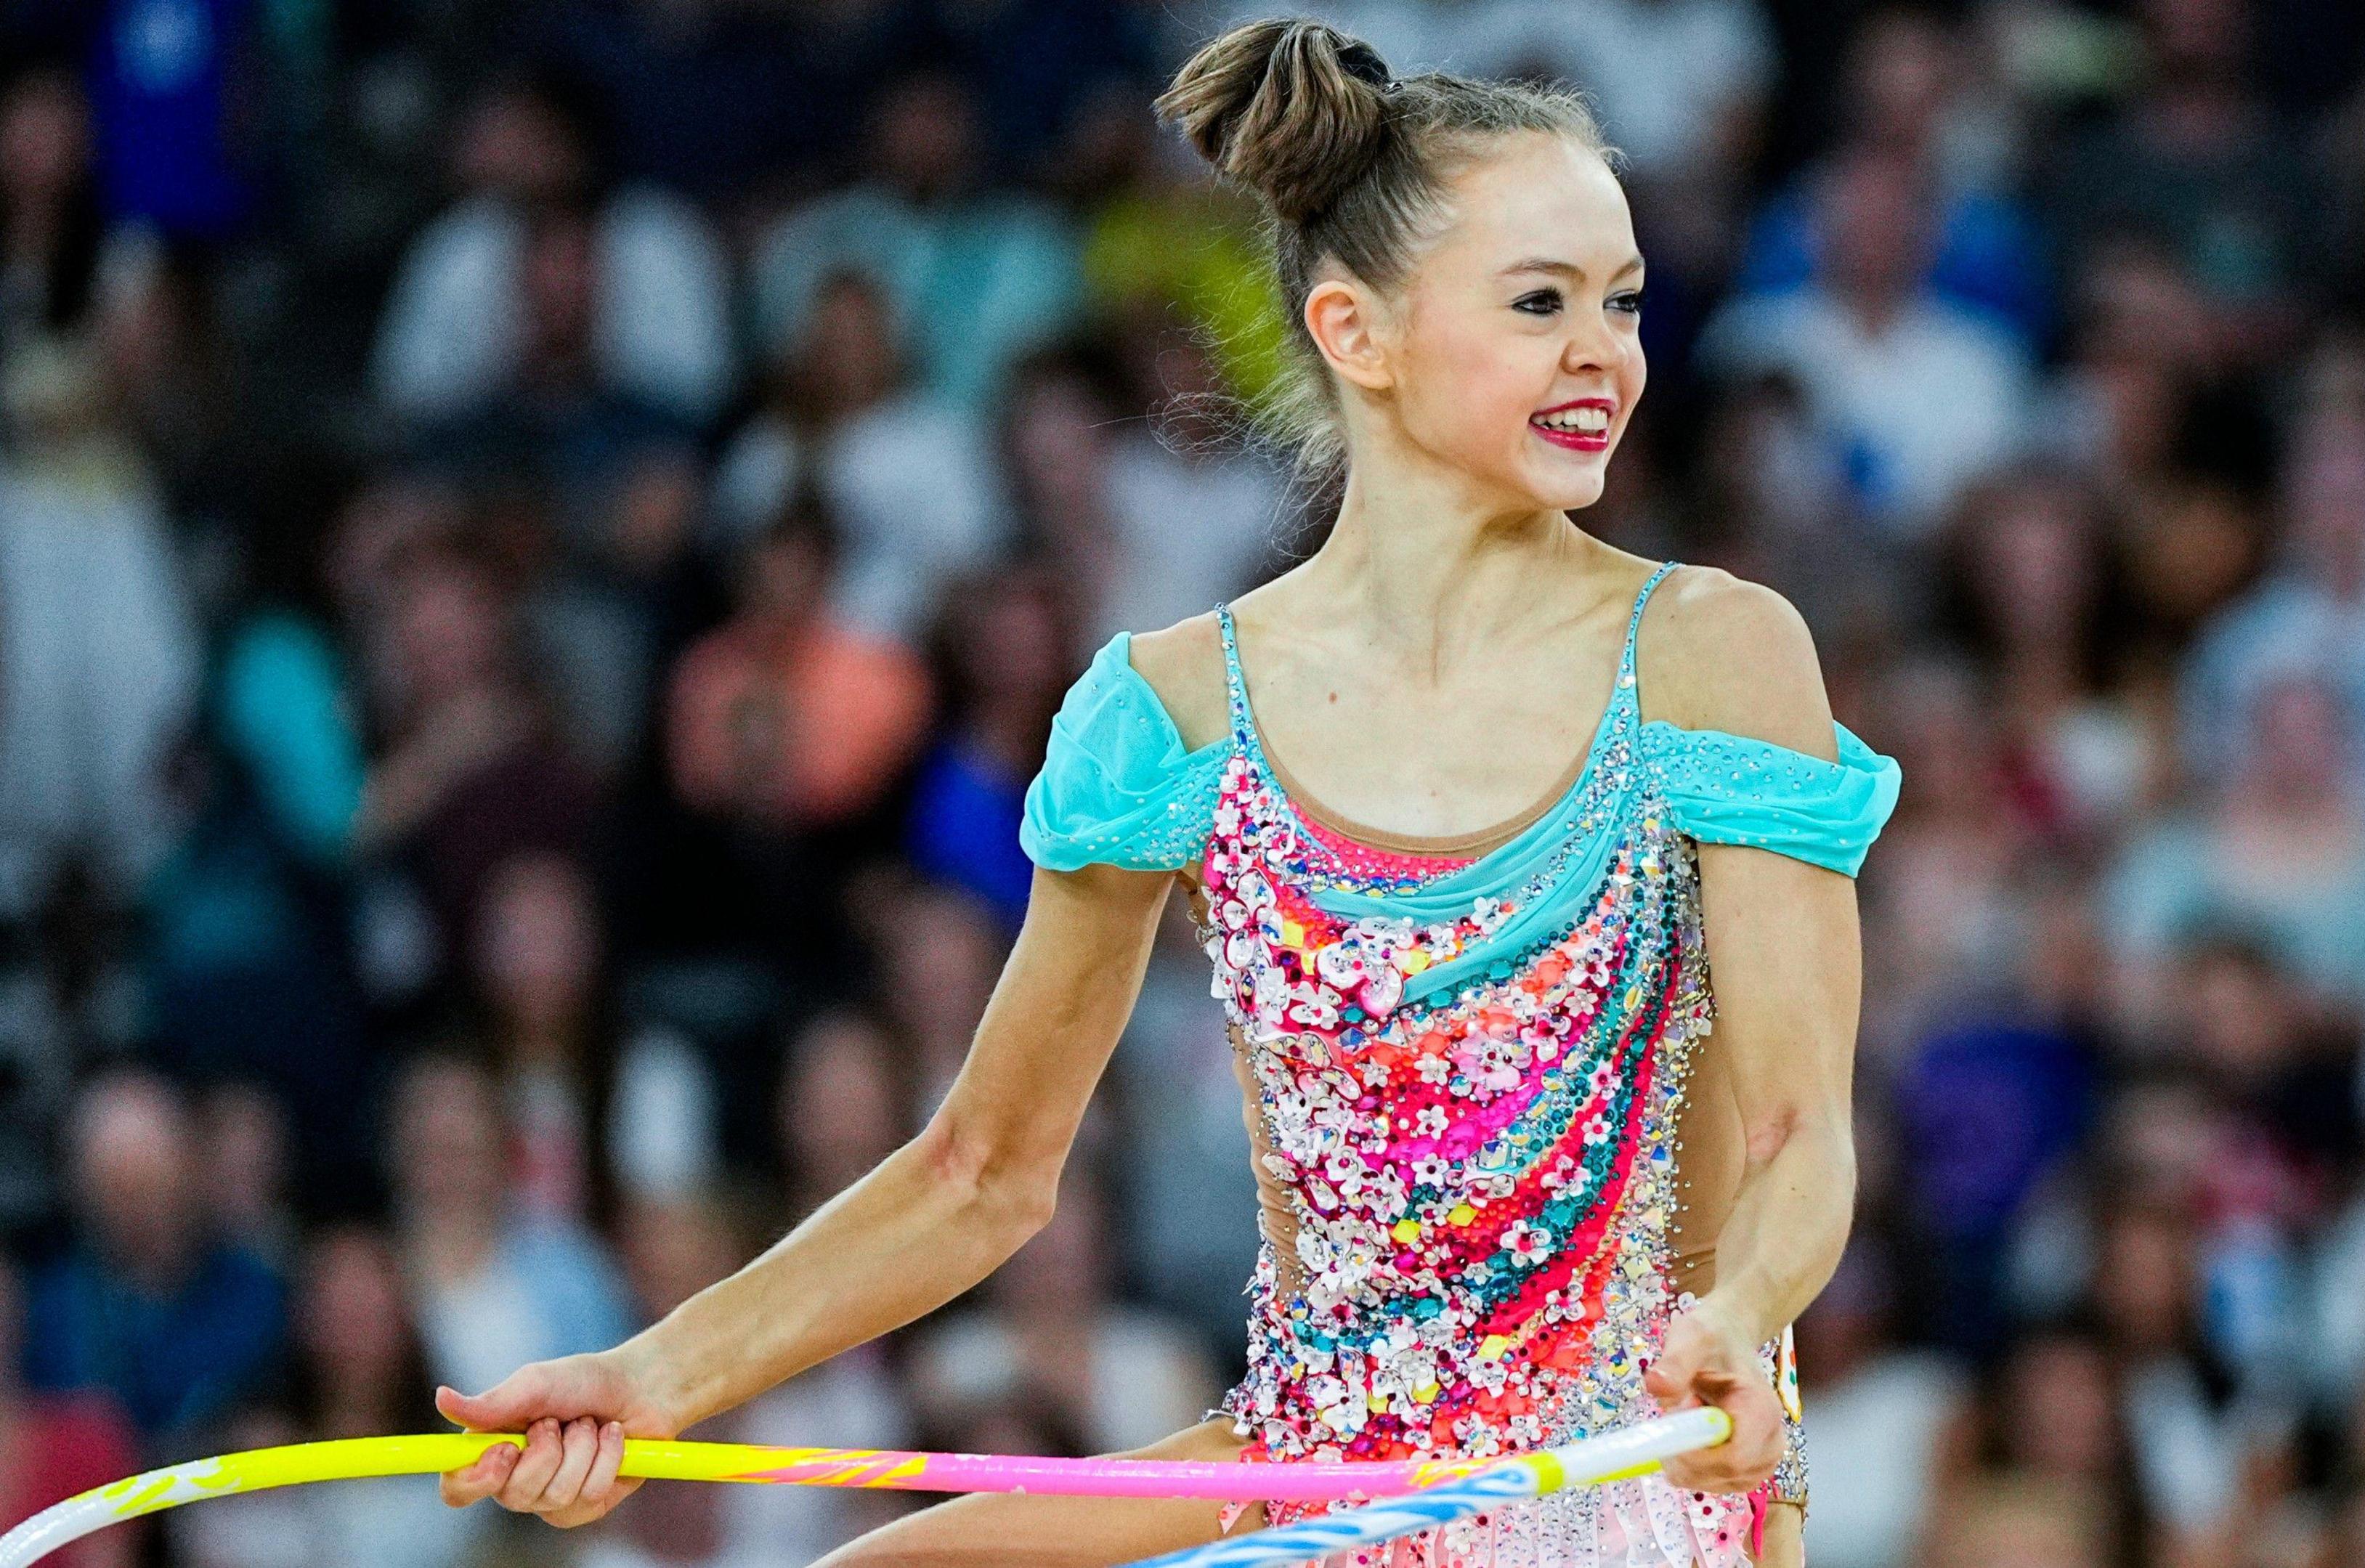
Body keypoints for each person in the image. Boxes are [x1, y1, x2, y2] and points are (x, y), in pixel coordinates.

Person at [431, 20, 1900, 1568]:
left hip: (1620, 1467)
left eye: (1622, 301)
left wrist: (1744, 1315)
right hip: (1312, 1465)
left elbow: (1803, 1132)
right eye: (1540, 303)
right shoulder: (1177, 711)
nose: (1606, 350)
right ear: (1359, 332)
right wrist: (646, 1378)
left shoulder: (1713, 652)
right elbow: (980, 1176)